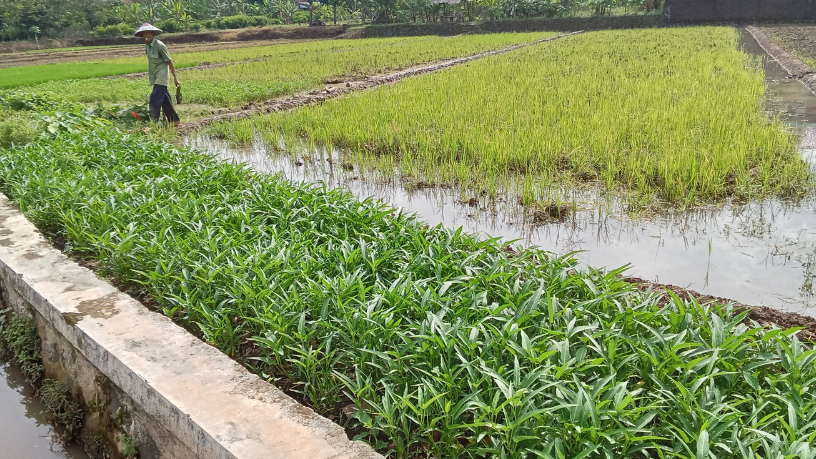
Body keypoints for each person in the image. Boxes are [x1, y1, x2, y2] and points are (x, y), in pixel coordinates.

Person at [134, 23, 181, 127]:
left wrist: (175, 79)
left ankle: (153, 122)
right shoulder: (147, 47)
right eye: (144, 33)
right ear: (142, 35)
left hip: (162, 75)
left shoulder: (160, 45)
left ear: (153, 33)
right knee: (164, 99)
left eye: (149, 32)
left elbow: (169, 61)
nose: (146, 35)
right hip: (155, 76)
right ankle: (175, 121)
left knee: (154, 98)